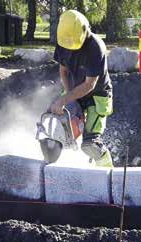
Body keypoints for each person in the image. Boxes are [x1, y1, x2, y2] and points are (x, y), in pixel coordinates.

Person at [49, 10, 114, 168]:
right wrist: (69, 96)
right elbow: (63, 71)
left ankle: (110, 176)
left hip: (96, 96)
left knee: (90, 144)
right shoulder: (64, 41)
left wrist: (65, 99)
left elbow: (89, 84)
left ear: (85, 30)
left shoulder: (95, 47)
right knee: (55, 132)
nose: (71, 48)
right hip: (74, 90)